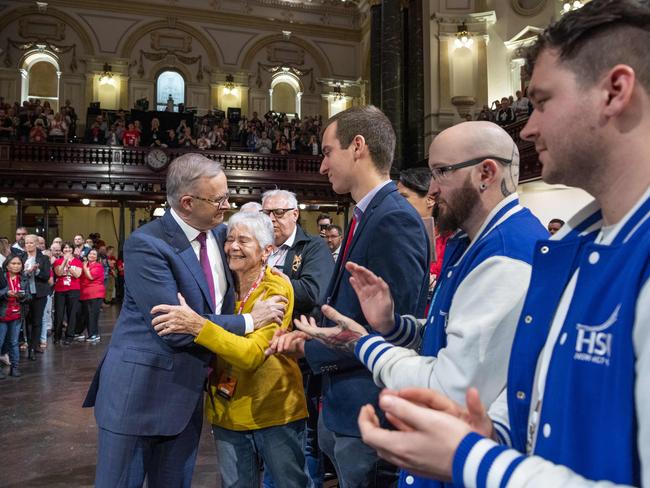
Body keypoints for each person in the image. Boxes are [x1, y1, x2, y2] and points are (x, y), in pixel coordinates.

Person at [356, 1, 650, 486]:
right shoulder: (582, 244)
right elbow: (555, 405)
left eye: (541, 101)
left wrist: (471, 458)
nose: (529, 127)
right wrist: (499, 436)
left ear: (614, 92)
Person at [296, 121, 547, 488]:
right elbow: (448, 330)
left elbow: (449, 388)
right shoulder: (472, 241)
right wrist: (394, 325)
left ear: (486, 173)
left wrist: (363, 342)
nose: (431, 190)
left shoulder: (505, 254)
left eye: (441, 173)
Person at [82, 153, 287, 488]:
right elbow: (175, 330)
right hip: (138, 396)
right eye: (219, 198)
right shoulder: (148, 244)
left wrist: (266, 270)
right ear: (188, 202)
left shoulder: (222, 236)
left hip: (186, 396)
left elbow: (249, 260)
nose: (227, 203)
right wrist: (249, 322)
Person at [268, 105, 430, 487]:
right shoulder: (367, 213)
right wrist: (314, 334)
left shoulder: (394, 217)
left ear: (357, 147)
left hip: (369, 407)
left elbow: (393, 330)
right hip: (344, 404)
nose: (322, 166)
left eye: (327, 152)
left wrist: (309, 349)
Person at [150, 211, 313, 488]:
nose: (233, 246)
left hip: (273, 410)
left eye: (244, 241)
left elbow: (251, 355)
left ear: (266, 251)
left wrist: (199, 326)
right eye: (230, 239)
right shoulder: (218, 284)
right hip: (227, 410)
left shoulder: (277, 288)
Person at [262, 189, 335, 488]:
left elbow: (313, 292)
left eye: (278, 213)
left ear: (294, 214)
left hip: (298, 356)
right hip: (260, 354)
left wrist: (267, 281)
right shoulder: (260, 246)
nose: (271, 219)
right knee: (269, 439)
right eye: (265, 214)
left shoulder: (312, 247)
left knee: (302, 439)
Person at [21, 234, 51, 360]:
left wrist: (36, 271)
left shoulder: (43, 258)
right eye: (26, 243)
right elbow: (16, 272)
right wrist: (26, 272)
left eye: (31, 243)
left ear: (37, 244)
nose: (28, 245)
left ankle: (33, 348)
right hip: (25, 294)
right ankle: (29, 343)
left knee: (37, 321)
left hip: (39, 294)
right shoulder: (21, 257)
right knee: (27, 321)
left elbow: (46, 276)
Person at [0, 254, 30, 378]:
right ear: (7, 265)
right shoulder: (2, 278)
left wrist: (22, 296)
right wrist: (6, 293)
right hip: (2, 315)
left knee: (13, 342)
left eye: (18, 264)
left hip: (17, 315)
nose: (16, 266)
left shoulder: (23, 279)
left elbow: (29, 296)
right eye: (13, 263)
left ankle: (15, 367)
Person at [52, 242, 83, 345]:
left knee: (72, 314)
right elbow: (59, 273)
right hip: (60, 290)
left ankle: (69, 336)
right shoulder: (58, 261)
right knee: (59, 314)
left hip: (74, 290)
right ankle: (57, 336)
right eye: (65, 248)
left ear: (73, 250)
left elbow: (77, 275)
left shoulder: (78, 262)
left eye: (69, 248)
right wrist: (65, 261)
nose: (67, 250)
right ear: (62, 250)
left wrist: (69, 266)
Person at [79, 249, 105, 343]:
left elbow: (90, 276)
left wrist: (85, 268)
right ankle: (91, 334)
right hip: (85, 293)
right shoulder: (86, 264)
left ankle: (94, 334)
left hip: (95, 293)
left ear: (97, 257)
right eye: (90, 253)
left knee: (93, 315)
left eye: (94, 254)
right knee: (88, 315)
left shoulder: (98, 266)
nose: (92, 255)